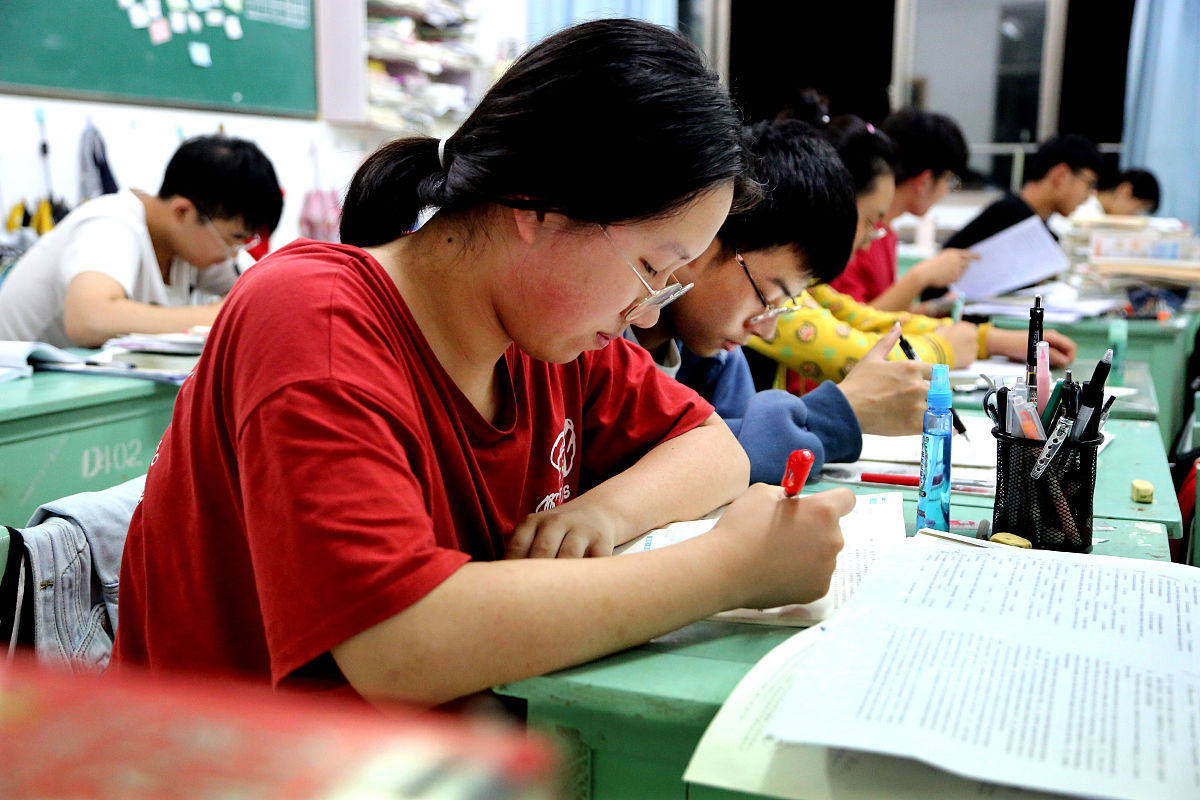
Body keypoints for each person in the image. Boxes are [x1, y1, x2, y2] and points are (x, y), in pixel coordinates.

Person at [113, 19, 853, 707]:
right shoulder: (315, 318)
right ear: (538, 204)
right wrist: (726, 572)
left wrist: (605, 510)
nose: (652, 313)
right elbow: (397, 645)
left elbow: (713, 448)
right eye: (652, 268)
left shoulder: (547, 338)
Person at [626, 118, 931, 484]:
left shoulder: (720, 359)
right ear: (704, 237)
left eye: (782, 305)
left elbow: (731, 454)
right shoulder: (601, 343)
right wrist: (839, 412)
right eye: (768, 296)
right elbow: (707, 461)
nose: (766, 329)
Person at [746, 116, 1076, 395]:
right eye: (871, 221)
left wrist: (987, 339)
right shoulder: (763, 289)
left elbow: (863, 319)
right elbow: (855, 354)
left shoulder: (798, 283)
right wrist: (947, 349)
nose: (869, 239)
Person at [0, 135, 281, 348]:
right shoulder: (110, 222)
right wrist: (214, 317)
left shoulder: (195, 244)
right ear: (183, 211)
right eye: (233, 240)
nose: (234, 256)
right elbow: (89, 319)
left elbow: (266, 296)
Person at [831, 107, 979, 312]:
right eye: (949, 180)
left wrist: (934, 308)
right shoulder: (857, 233)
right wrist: (920, 276)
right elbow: (853, 321)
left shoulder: (884, 232)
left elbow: (880, 316)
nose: (946, 190)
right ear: (925, 181)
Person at [942, 134, 1103, 251]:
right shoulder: (1011, 218)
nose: (1090, 194)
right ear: (1060, 175)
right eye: (1089, 184)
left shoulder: (1024, 217)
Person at [1074, 167, 1161, 218]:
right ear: (1125, 191)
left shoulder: (1100, 213)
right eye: (1139, 209)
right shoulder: (1086, 212)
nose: (1135, 217)